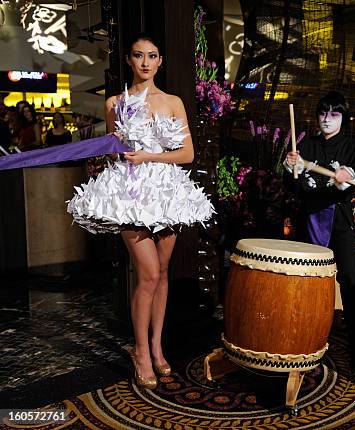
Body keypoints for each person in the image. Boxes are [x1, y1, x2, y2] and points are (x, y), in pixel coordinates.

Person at [67, 34, 214, 390]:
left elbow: (187, 155)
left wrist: (150, 156)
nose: (145, 62)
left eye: (152, 55)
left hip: (165, 194)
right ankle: (141, 351)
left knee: (162, 272)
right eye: (138, 56)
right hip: (130, 194)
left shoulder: (173, 102)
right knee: (147, 273)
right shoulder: (115, 102)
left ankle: (157, 346)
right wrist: (113, 155)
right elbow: (115, 150)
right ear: (130, 61)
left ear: (160, 61)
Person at [284, 91, 355, 365]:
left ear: (344, 117)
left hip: (339, 222)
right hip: (308, 219)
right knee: (304, 280)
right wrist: (290, 168)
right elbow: (293, 187)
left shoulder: (352, 148)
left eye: (334, 114)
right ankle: (300, 337)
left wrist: (350, 174)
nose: (327, 120)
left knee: (352, 281)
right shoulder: (306, 146)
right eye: (323, 113)